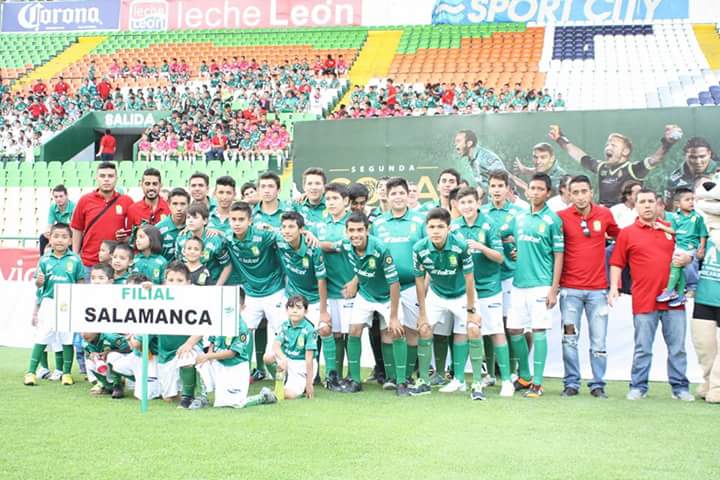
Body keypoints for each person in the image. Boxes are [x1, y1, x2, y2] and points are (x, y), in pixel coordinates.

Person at [609, 189, 693, 401]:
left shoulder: (673, 231)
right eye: (642, 202)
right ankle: (638, 387)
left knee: (677, 349)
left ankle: (680, 388)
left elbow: (690, 253)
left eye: (650, 201)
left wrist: (688, 260)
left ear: (658, 205)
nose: (647, 205)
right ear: (635, 206)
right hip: (644, 299)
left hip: (673, 300)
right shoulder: (627, 233)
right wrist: (613, 288)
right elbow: (617, 263)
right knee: (642, 349)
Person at [557, 175, 620, 398]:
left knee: (598, 341)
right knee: (569, 338)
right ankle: (571, 383)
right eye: (575, 192)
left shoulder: (604, 214)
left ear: (591, 192)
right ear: (569, 195)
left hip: (598, 292)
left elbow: (620, 238)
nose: (580, 196)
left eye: (584, 191)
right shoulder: (561, 217)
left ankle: (597, 384)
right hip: (570, 291)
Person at [452, 187, 514, 397]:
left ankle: (506, 380)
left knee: (496, 331)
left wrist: (481, 247)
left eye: (470, 202)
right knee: (461, 331)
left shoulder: (489, 225)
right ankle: (458, 379)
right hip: (464, 290)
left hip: (488, 288)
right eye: (463, 203)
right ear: (457, 206)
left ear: (477, 203)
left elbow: (499, 257)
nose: (467, 207)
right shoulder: (454, 227)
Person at [412, 208, 480, 398]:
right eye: (432, 227)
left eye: (440, 227)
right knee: (424, 328)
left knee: (473, 328)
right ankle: (424, 380)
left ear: (448, 228)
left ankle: (477, 384)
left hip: (461, 294)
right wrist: (422, 313)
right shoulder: (419, 248)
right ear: (426, 228)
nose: (435, 231)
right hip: (437, 293)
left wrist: (471, 309)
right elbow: (419, 281)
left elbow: (469, 279)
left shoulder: (460, 245)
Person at [507, 173, 564, 398]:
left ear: (548, 193)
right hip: (519, 283)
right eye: (533, 188)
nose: (536, 192)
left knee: (539, 330)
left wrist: (553, 288)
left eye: (541, 189)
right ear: (527, 191)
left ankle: (538, 384)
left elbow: (559, 255)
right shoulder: (519, 217)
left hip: (541, 284)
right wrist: (513, 253)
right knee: (514, 330)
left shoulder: (553, 220)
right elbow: (511, 242)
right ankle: (525, 375)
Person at [370, 178, 426, 390]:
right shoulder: (378, 223)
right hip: (388, 287)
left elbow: (425, 253)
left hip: (412, 285)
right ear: (387, 196)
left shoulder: (420, 222)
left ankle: (408, 374)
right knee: (388, 331)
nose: (398, 197)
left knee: (411, 331)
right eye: (393, 194)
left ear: (408, 195)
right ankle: (392, 377)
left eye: (402, 193)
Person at [274, 211, 340, 390]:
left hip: (313, 298)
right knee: (282, 336)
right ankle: (285, 374)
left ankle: (331, 376)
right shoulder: (278, 239)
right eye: (284, 227)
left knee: (325, 329)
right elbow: (261, 229)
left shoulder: (313, 247)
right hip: (292, 297)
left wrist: (324, 310)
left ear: (301, 230)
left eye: (291, 227)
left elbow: (321, 279)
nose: (286, 231)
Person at [340, 212, 402, 394]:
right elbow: (330, 246)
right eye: (351, 230)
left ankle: (397, 380)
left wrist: (394, 317)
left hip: (386, 296)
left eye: (360, 230)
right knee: (354, 331)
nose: (355, 234)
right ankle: (354, 380)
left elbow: (394, 283)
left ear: (367, 230)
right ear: (346, 232)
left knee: (392, 332)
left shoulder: (380, 248)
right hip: (366, 295)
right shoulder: (346, 244)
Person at [549, 124, 682, 206]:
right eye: (607, 144)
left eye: (613, 145)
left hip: (626, 218)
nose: (608, 147)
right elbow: (579, 155)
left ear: (626, 151)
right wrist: (560, 139)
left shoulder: (633, 169)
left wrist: (667, 143)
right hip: (604, 216)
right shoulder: (602, 167)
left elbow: (656, 158)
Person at [226, 201, 287, 380]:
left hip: (274, 290)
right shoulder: (228, 238)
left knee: (281, 331)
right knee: (243, 330)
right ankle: (243, 371)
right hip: (251, 294)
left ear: (250, 221)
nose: (237, 223)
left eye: (241, 219)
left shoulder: (262, 235)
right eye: (233, 219)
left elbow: (285, 236)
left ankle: (285, 372)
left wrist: (303, 232)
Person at [132, 261, 203, 408]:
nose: (175, 284)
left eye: (180, 281)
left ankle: (188, 396)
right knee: (169, 397)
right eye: (171, 280)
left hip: (188, 348)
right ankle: (178, 391)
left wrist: (189, 344)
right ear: (164, 283)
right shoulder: (158, 300)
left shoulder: (194, 300)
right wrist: (149, 290)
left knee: (187, 358)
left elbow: (204, 326)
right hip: (165, 354)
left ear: (188, 283)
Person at [193, 287, 278, 409]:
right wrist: (209, 354)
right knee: (200, 364)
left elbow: (232, 353)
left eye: (235, 304)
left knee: (233, 404)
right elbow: (212, 340)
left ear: (242, 307)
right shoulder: (219, 320)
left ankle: (263, 397)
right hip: (219, 364)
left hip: (236, 367)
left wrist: (208, 355)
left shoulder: (242, 327)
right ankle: (202, 398)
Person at [24, 224, 84, 387]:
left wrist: (78, 302)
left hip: (68, 302)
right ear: (50, 239)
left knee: (67, 338)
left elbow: (80, 283)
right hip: (49, 301)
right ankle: (30, 372)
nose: (60, 240)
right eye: (56, 236)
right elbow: (38, 284)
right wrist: (38, 282)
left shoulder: (75, 260)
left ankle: (66, 373)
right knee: (42, 336)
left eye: (64, 237)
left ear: (70, 240)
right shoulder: (44, 260)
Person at [480, 170, 526, 376]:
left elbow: (526, 240)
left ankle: (513, 370)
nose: (497, 190)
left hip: (510, 275)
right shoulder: (481, 212)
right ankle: (489, 373)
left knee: (510, 324)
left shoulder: (518, 212)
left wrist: (515, 244)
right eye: (493, 186)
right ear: (488, 189)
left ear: (508, 189)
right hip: (487, 276)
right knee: (489, 326)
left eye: (501, 186)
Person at [317, 183, 356, 380]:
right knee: (336, 333)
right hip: (328, 288)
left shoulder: (352, 224)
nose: (331, 202)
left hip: (349, 287)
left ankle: (353, 375)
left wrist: (326, 245)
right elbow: (315, 247)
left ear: (346, 201)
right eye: (328, 198)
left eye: (335, 198)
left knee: (351, 333)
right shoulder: (321, 224)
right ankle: (336, 375)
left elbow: (350, 245)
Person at [71, 162, 133, 272]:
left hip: (116, 265)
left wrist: (126, 238)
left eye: (110, 176)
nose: (106, 179)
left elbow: (132, 232)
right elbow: (77, 229)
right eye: (102, 176)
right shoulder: (85, 200)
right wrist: (75, 255)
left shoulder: (126, 201)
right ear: (97, 178)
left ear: (116, 178)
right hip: (88, 263)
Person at [657, 188, 707, 306]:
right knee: (679, 268)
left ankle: (674, 290)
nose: (691, 202)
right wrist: (661, 227)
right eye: (687, 200)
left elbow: (703, 234)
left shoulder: (698, 217)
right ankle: (680, 295)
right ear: (678, 204)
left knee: (677, 265)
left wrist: (701, 248)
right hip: (679, 246)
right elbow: (673, 231)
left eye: (692, 199)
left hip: (691, 247)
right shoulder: (675, 217)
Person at [265, 295, 319, 400]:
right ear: (286, 310)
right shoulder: (285, 325)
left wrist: (309, 384)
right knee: (268, 357)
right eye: (291, 307)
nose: (294, 311)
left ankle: (281, 391)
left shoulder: (309, 329)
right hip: (288, 360)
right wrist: (283, 359)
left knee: (289, 395)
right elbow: (276, 346)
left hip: (301, 365)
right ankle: (281, 381)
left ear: (306, 311)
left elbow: (309, 360)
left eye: (299, 308)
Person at [691, 229, 720, 403]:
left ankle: (718, 387)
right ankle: (709, 382)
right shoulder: (706, 232)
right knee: (704, 346)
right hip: (704, 297)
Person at [174, 203, 231, 285]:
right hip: (186, 286)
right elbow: (178, 263)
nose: (190, 220)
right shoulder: (181, 238)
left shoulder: (215, 239)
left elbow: (227, 266)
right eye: (188, 217)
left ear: (205, 221)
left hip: (210, 285)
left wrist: (217, 287)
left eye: (195, 218)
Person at [665, 137, 718, 203]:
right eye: (693, 157)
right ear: (685, 156)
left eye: (702, 156)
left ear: (710, 154)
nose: (698, 161)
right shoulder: (674, 179)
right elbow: (669, 208)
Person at [156, 188, 190, 262]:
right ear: (168, 205)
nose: (179, 208)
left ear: (188, 205)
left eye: (183, 204)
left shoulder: (193, 227)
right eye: (175, 204)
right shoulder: (158, 228)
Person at [39, 185, 75, 256]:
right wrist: (48, 233)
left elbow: (74, 229)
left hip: (71, 232)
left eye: (61, 196)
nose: (58, 199)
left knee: (71, 239)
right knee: (43, 237)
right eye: (56, 197)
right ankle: (42, 259)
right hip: (59, 230)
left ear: (67, 196)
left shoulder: (74, 207)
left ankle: (71, 257)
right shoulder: (53, 207)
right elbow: (49, 225)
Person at [293, 168, 327, 232]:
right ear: (304, 187)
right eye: (309, 184)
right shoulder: (296, 205)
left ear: (324, 187)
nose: (313, 187)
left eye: (317, 183)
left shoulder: (332, 206)